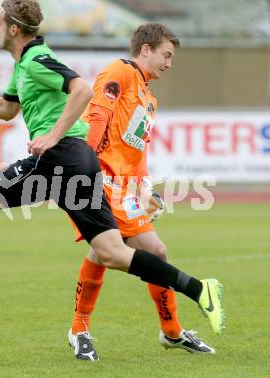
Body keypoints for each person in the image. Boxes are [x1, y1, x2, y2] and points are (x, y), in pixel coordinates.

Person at [0, 0, 225, 358]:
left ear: (13, 28)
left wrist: (53, 137)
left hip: (61, 159)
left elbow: (81, 90)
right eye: (166, 55)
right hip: (85, 164)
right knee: (111, 253)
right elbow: (6, 108)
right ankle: (199, 289)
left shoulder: (37, 58)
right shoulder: (26, 65)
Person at [68, 23, 216, 361]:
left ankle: (166, 332)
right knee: (142, 251)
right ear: (145, 49)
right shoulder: (120, 71)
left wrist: (145, 187)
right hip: (97, 179)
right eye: (166, 54)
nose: (169, 62)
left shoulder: (149, 98)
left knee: (112, 253)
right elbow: (98, 115)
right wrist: (86, 163)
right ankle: (167, 332)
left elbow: (136, 150)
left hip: (121, 187)